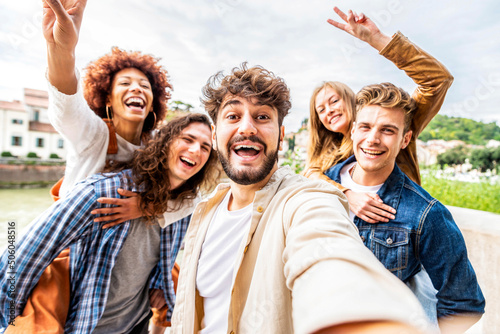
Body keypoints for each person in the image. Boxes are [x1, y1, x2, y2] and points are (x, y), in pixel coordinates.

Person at [171, 63, 430, 334]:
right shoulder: (206, 209)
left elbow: (327, 244)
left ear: (281, 137)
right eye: (233, 116)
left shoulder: (305, 200)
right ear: (214, 135)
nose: (247, 128)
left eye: (262, 117)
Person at [12, 0, 176, 332]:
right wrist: (61, 50)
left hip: (134, 304)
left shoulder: (163, 150)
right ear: (107, 98)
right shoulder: (92, 135)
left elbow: (194, 194)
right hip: (78, 299)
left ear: (154, 101)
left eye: (145, 85)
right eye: (125, 84)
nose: (136, 89)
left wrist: (145, 206)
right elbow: (66, 101)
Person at [0, 113, 220, 333]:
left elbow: (166, 254)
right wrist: (8, 319)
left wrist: (160, 283)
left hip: (137, 324)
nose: (195, 151)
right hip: (87, 326)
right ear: (165, 143)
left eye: (205, 147)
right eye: (188, 140)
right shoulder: (101, 193)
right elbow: (23, 257)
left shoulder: (184, 208)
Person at [324, 83, 485, 333]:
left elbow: (464, 304)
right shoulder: (315, 188)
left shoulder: (425, 213)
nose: (373, 139)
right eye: (365, 127)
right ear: (353, 130)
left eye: (388, 130)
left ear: (405, 139)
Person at [305, 7, 454, 224]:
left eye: (334, 101)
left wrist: (377, 40)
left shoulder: (394, 120)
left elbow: (437, 80)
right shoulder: (327, 155)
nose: (329, 110)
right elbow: (310, 175)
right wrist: (346, 195)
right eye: (321, 110)